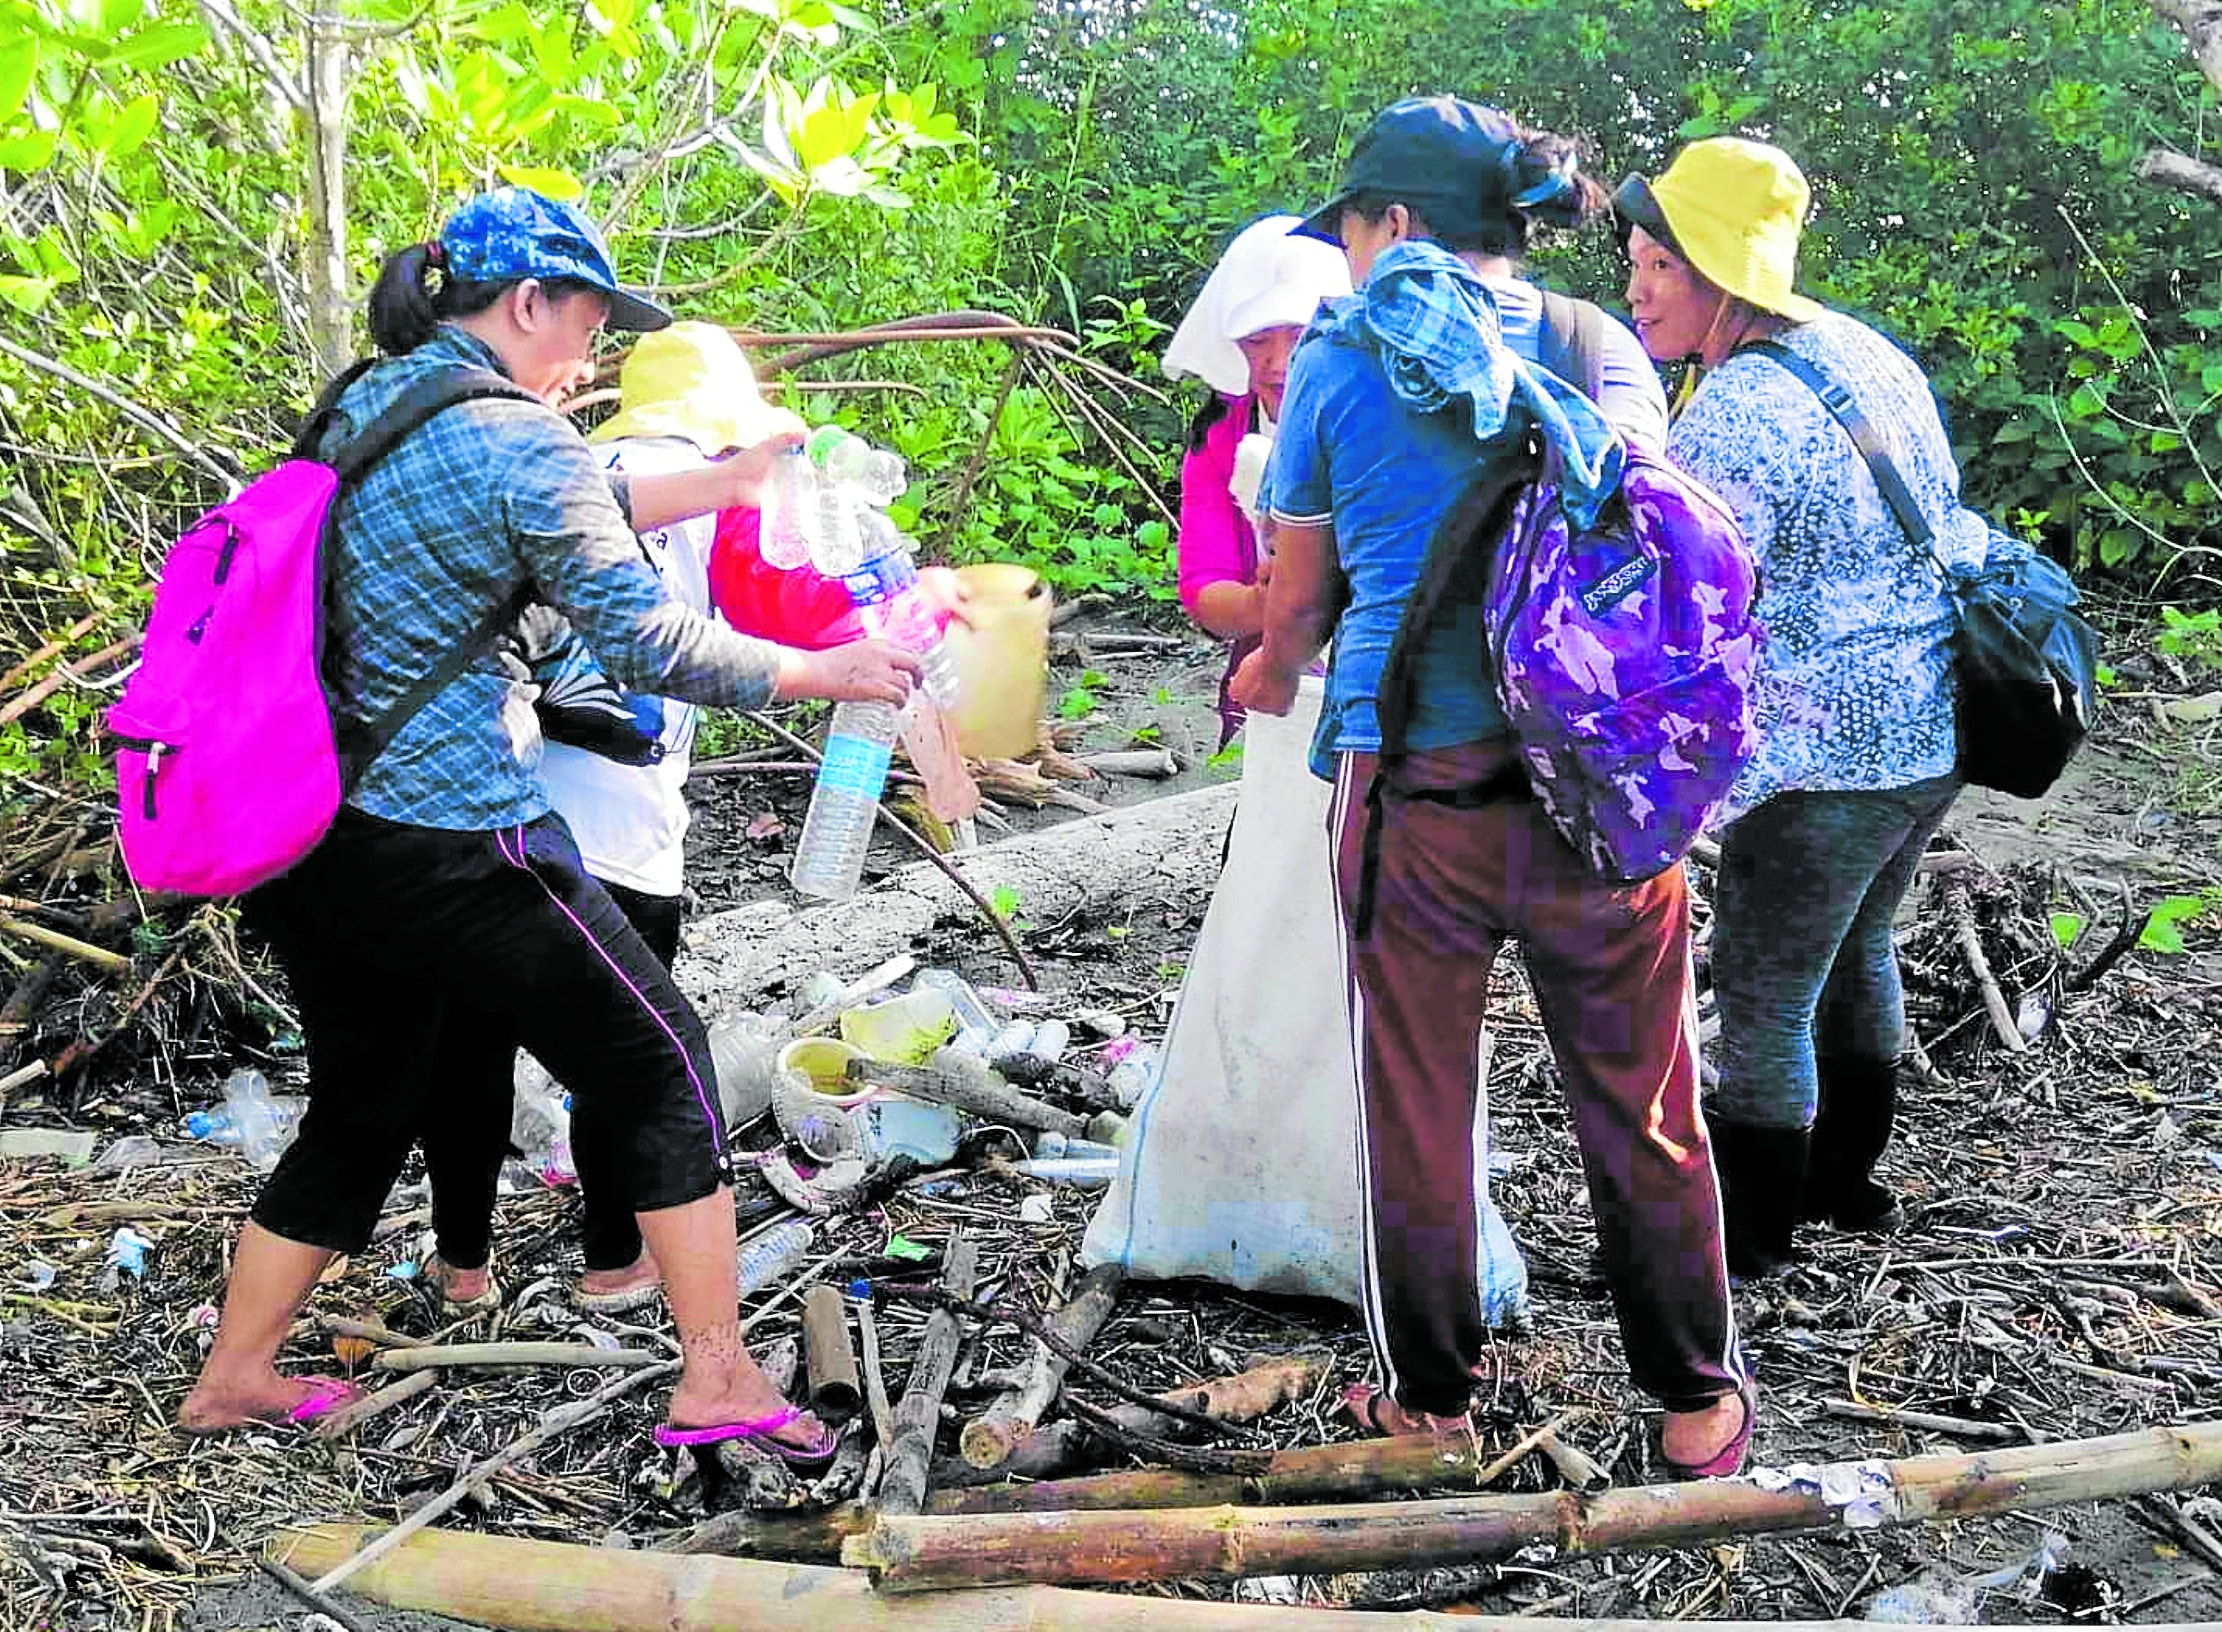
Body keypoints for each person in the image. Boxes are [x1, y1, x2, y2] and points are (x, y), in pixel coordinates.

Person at [177, 189, 917, 1472]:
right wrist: (828, 671)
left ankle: (235, 1372)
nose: (592, 353)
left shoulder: (358, 410)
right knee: (662, 1056)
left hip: (309, 836)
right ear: (525, 303)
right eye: (584, 319)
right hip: (451, 835)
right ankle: (718, 1375)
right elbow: (647, 640)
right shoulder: (520, 441)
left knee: (366, 1101)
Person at [1232, 96, 1752, 1478]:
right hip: (1604, 798)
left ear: (1396, 226)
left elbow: (1298, 601)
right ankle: (1696, 1402)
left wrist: (1269, 669)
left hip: (1420, 794)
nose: (1344, 263)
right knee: (1645, 1097)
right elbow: (1648, 518)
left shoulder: (1342, 366)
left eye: (1349, 232)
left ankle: (1431, 1397)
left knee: (1413, 1103)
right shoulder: (1593, 346)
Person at [1617, 140, 1976, 1276]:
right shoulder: (1862, 350)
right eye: (1629, 262)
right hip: (1932, 722)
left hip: (1825, 753)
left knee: (1764, 989)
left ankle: (1747, 1241)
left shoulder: (1735, 412)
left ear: (1719, 275)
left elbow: (1691, 602)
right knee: (1856, 942)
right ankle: (1842, 1191)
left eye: (1656, 268)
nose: (1632, 289)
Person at [1161, 216, 1351, 746]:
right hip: (1274, 671)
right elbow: (1204, 584)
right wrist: (1267, 602)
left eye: (1299, 335)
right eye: (1257, 339)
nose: (1278, 362)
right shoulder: (1224, 435)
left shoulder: (1379, 420)